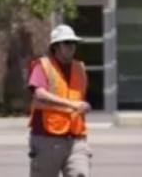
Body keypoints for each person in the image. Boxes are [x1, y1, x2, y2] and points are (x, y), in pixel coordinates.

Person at [26, 24, 92, 177]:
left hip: (76, 139)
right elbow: (39, 94)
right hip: (47, 138)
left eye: (73, 43)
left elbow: (79, 97)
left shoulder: (80, 68)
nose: (71, 47)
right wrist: (72, 105)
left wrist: (83, 106)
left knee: (81, 173)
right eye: (67, 43)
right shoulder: (43, 66)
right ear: (56, 46)